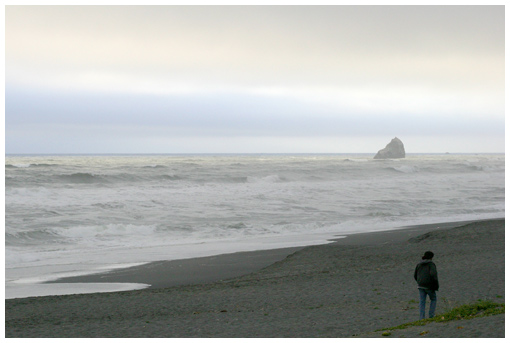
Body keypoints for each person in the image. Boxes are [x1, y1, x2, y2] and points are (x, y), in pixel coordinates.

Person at [414, 251, 439, 320]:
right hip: (429, 285)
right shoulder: (431, 264)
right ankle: (431, 315)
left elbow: (415, 275)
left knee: (422, 301)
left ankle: (421, 317)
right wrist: (436, 285)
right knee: (433, 299)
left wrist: (419, 281)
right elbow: (433, 275)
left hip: (420, 285)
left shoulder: (419, 264)